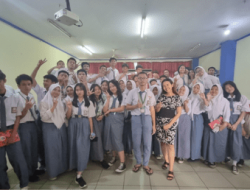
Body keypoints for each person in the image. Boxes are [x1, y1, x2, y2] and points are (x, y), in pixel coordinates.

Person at [0, 70, 29, 190]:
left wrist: (13, 134)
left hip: (12, 130)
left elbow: (18, 116)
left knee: (18, 160)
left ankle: (24, 185)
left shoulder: (14, 96)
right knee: (0, 164)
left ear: (4, 81)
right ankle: (3, 186)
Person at [126, 72, 156, 175]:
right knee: (137, 142)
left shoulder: (150, 93)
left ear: (147, 80)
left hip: (147, 118)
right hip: (136, 118)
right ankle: (138, 162)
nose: (142, 80)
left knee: (147, 143)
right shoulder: (132, 92)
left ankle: (146, 164)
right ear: (137, 80)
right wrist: (135, 106)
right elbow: (127, 106)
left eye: (144, 78)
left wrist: (153, 124)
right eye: (140, 78)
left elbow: (152, 109)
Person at [31, 59, 58, 172]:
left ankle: (54, 162)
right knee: (40, 141)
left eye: (46, 81)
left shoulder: (57, 92)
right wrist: (38, 66)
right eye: (44, 80)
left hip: (53, 119)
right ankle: (43, 163)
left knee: (51, 142)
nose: (44, 82)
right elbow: (32, 79)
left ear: (53, 83)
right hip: (40, 119)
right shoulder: (41, 91)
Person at [66, 83, 95, 188]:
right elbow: (68, 117)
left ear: (84, 91)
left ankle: (79, 174)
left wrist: (92, 132)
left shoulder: (89, 102)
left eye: (81, 89)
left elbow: (90, 118)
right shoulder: (70, 102)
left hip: (84, 124)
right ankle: (74, 166)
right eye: (77, 90)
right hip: (73, 124)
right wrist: (69, 108)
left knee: (82, 147)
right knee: (73, 147)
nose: (79, 91)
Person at [155, 79, 182, 180]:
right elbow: (157, 110)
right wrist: (157, 107)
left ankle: (171, 170)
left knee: (170, 145)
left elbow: (178, 113)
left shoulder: (177, 97)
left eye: (167, 85)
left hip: (171, 123)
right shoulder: (161, 96)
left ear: (171, 85)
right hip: (160, 122)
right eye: (164, 86)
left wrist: (170, 124)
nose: (166, 87)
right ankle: (166, 160)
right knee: (162, 142)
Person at [40, 84, 68, 180]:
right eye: (54, 90)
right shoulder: (44, 102)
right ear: (50, 90)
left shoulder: (61, 102)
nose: (56, 92)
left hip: (61, 127)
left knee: (62, 148)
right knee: (51, 150)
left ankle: (62, 169)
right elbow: (43, 117)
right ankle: (53, 172)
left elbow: (64, 115)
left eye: (58, 90)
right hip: (49, 127)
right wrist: (53, 107)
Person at [15, 74, 40, 182]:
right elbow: (18, 117)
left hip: (33, 124)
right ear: (19, 86)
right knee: (27, 150)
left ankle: (34, 169)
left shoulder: (31, 95)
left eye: (29, 84)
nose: (27, 87)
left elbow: (34, 111)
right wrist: (26, 108)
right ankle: (28, 173)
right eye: (24, 84)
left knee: (34, 149)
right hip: (23, 126)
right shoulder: (16, 97)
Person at [222, 81, 249, 175]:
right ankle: (226, 157)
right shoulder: (224, 98)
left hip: (236, 121)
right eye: (226, 88)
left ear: (234, 86)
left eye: (230, 86)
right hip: (226, 121)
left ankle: (235, 163)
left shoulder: (242, 98)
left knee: (236, 142)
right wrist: (227, 123)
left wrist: (236, 124)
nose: (229, 89)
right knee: (225, 140)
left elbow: (243, 113)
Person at [202, 84, 230, 168]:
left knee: (216, 142)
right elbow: (206, 110)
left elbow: (226, 114)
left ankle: (213, 160)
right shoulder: (210, 99)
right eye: (212, 89)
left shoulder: (224, 101)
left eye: (216, 89)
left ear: (220, 90)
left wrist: (224, 124)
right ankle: (207, 158)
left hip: (219, 122)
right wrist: (207, 99)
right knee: (208, 141)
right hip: (209, 123)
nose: (213, 91)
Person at [103, 80, 126, 173]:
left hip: (118, 119)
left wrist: (111, 110)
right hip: (109, 119)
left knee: (117, 140)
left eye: (113, 86)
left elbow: (122, 108)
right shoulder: (109, 97)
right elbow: (105, 110)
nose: (112, 88)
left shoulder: (123, 96)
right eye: (110, 86)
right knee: (111, 138)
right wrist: (108, 99)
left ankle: (123, 163)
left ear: (117, 86)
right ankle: (114, 157)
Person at [89, 84, 110, 169]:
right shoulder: (89, 99)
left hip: (102, 120)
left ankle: (98, 156)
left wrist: (103, 116)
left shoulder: (103, 98)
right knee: (96, 140)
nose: (97, 91)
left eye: (99, 89)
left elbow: (107, 109)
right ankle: (100, 159)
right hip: (93, 121)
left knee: (102, 138)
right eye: (95, 89)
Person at [189, 83, 210, 160]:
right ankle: (189, 154)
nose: (195, 89)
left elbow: (206, 108)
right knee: (190, 137)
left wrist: (204, 99)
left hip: (197, 118)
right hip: (189, 118)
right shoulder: (190, 96)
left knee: (196, 138)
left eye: (198, 88)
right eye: (195, 87)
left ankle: (195, 156)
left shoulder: (201, 98)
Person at [175, 86, 192, 163]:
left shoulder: (188, 99)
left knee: (183, 137)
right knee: (174, 136)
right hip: (175, 118)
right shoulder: (175, 98)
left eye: (183, 90)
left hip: (184, 118)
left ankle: (181, 156)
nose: (181, 91)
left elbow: (188, 111)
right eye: (180, 89)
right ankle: (174, 154)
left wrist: (185, 104)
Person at [123, 80, 136, 156]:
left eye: (130, 84)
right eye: (127, 84)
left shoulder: (135, 93)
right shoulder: (124, 93)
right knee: (125, 134)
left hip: (133, 115)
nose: (129, 86)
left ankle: (131, 149)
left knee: (131, 134)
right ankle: (126, 149)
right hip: (125, 115)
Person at [150, 84, 162, 160]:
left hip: (158, 119)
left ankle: (157, 153)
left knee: (156, 136)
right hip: (149, 118)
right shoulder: (149, 98)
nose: (155, 91)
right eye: (153, 90)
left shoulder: (160, 99)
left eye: (156, 90)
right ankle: (150, 151)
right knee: (150, 135)